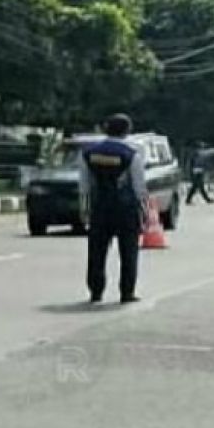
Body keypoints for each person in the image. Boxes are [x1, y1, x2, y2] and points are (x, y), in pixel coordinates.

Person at [78, 113, 147, 304]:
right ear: (127, 131)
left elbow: (84, 186)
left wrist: (85, 210)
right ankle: (126, 293)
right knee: (129, 252)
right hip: (126, 209)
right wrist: (145, 212)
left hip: (100, 207)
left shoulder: (88, 153)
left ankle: (96, 292)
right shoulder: (131, 154)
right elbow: (139, 187)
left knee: (97, 252)